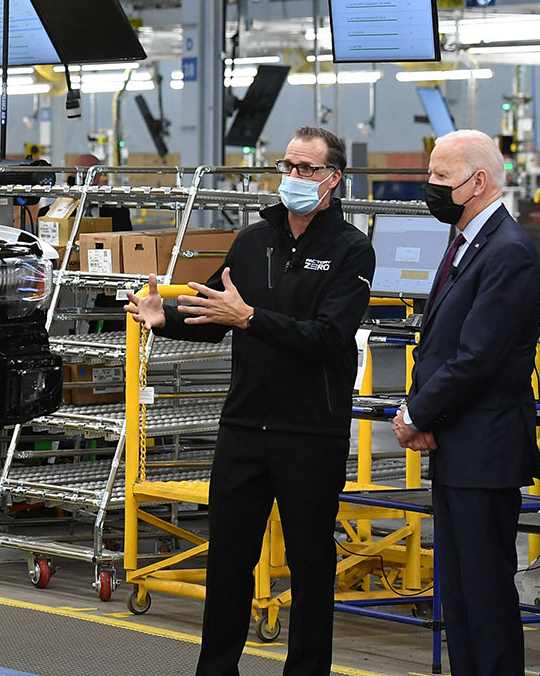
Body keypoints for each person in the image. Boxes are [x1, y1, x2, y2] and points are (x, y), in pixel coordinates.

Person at [126, 126, 374, 676]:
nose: (293, 178)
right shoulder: (253, 240)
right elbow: (215, 310)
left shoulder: (352, 250)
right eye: (287, 166)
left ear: (332, 178)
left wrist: (252, 319)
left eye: (306, 169)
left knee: (311, 563)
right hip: (244, 426)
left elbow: (330, 338)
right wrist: (164, 317)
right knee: (229, 559)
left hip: (309, 431)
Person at [392, 129, 540, 676]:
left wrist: (416, 414)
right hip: (459, 446)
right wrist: (427, 413)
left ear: (476, 182)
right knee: (457, 598)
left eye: (439, 176)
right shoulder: (467, 243)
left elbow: (477, 357)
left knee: (484, 600)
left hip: (485, 452)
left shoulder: (508, 253)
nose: (428, 186)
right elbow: (441, 345)